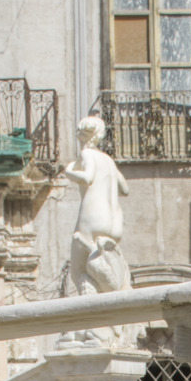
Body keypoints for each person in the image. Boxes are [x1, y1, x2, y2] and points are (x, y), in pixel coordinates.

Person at [64, 114, 130, 295]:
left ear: (80, 134)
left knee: (78, 271)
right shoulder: (108, 160)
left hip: (93, 217)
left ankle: (92, 313)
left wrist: (68, 171)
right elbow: (124, 188)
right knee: (109, 271)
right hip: (114, 224)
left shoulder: (86, 154)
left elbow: (87, 177)